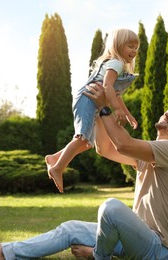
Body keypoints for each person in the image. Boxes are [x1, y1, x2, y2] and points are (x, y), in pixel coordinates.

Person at [0, 82, 168, 260]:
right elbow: (106, 148)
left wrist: (105, 107)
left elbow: (123, 144)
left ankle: (98, 257)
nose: (167, 113)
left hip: (159, 249)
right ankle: (4, 252)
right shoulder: (150, 154)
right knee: (70, 229)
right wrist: (96, 107)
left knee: (110, 208)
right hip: (135, 239)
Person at [45, 28, 139, 193]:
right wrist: (117, 110)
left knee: (87, 143)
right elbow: (107, 86)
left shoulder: (117, 64)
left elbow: (115, 94)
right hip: (88, 99)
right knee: (82, 138)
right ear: (118, 45)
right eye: (130, 46)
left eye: (136, 47)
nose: (134, 50)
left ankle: (55, 158)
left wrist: (128, 115)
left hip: (90, 100)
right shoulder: (116, 63)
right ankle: (58, 167)